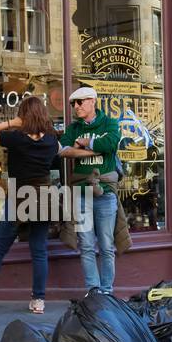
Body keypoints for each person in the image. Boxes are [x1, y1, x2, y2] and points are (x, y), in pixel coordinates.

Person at [0, 94, 60, 314]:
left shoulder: (17, 138)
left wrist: (12, 123)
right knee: (39, 250)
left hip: (20, 195)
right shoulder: (51, 140)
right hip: (44, 194)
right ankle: (38, 301)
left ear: (23, 116)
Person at [59, 86, 121, 295]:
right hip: (81, 193)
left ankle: (106, 291)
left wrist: (86, 143)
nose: (76, 107)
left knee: (106, 245)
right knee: (85, 245)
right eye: (73, 104)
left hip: (105, 192)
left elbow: (111, 142)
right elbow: (63, 150)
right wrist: (90, 152)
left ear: (92, 101)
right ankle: (93, 291)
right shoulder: (74, 128)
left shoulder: (109, 123)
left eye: (80, 102)